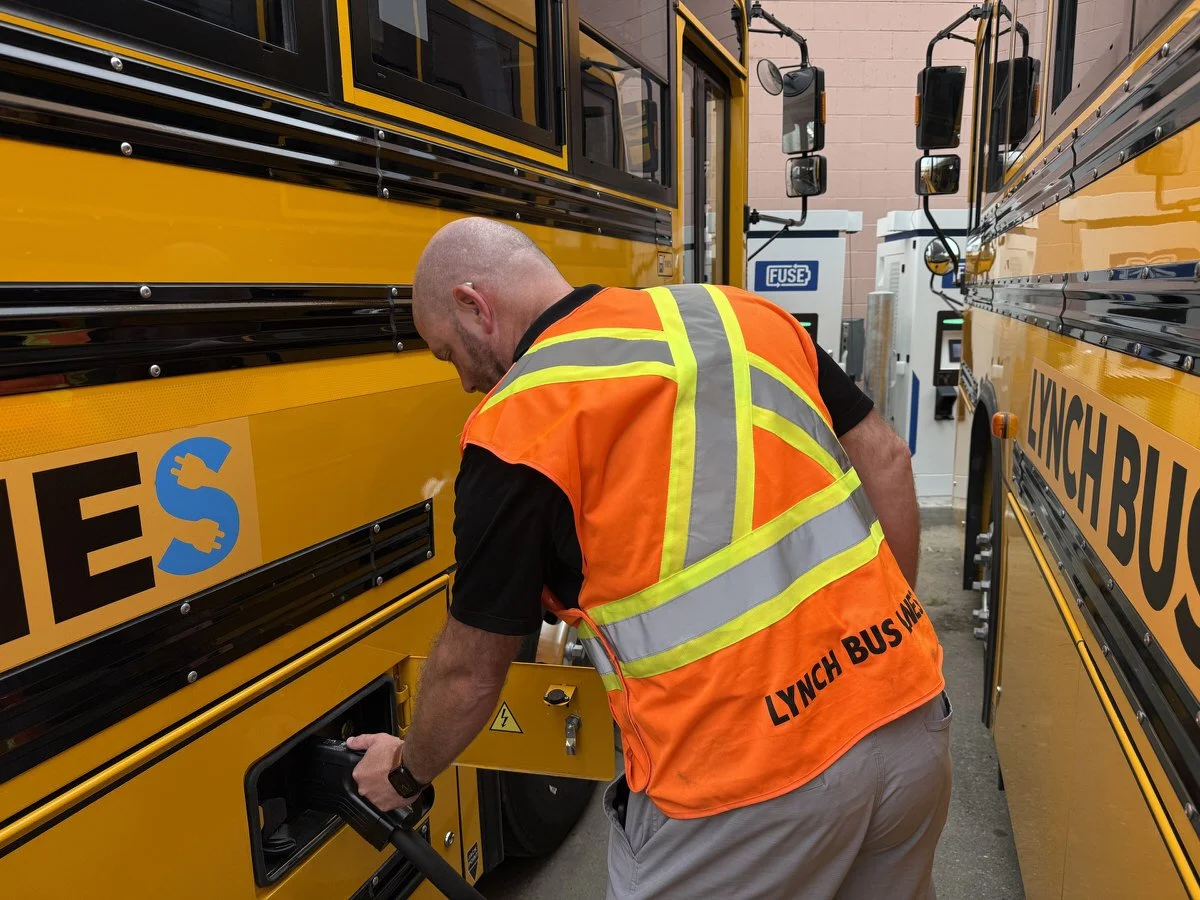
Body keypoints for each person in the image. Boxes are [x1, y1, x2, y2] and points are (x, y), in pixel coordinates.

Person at [347, 217, 952, 899]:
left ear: (473, 306)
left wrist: (404, 772)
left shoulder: (520, 425)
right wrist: (887, 640)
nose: (461, 380)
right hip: (907, 725)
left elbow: (468, 672)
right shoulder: (740, 315)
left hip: (742, 790)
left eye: (446, 353)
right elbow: (887, 458)